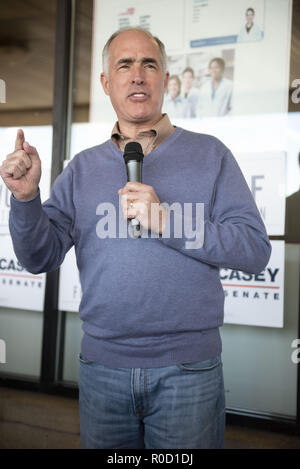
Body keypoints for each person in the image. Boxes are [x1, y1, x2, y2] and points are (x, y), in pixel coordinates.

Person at [0, 27, 271, 449]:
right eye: (124, 65)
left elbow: (254, 249)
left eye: (149, 64)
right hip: (101, 369)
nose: (138, 75)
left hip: (189, 370)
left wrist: (167, 221)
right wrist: (27, 197)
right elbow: (39, 257)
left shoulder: (211, 155)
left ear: (165, 78)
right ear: (106, 83)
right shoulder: (82, 169)